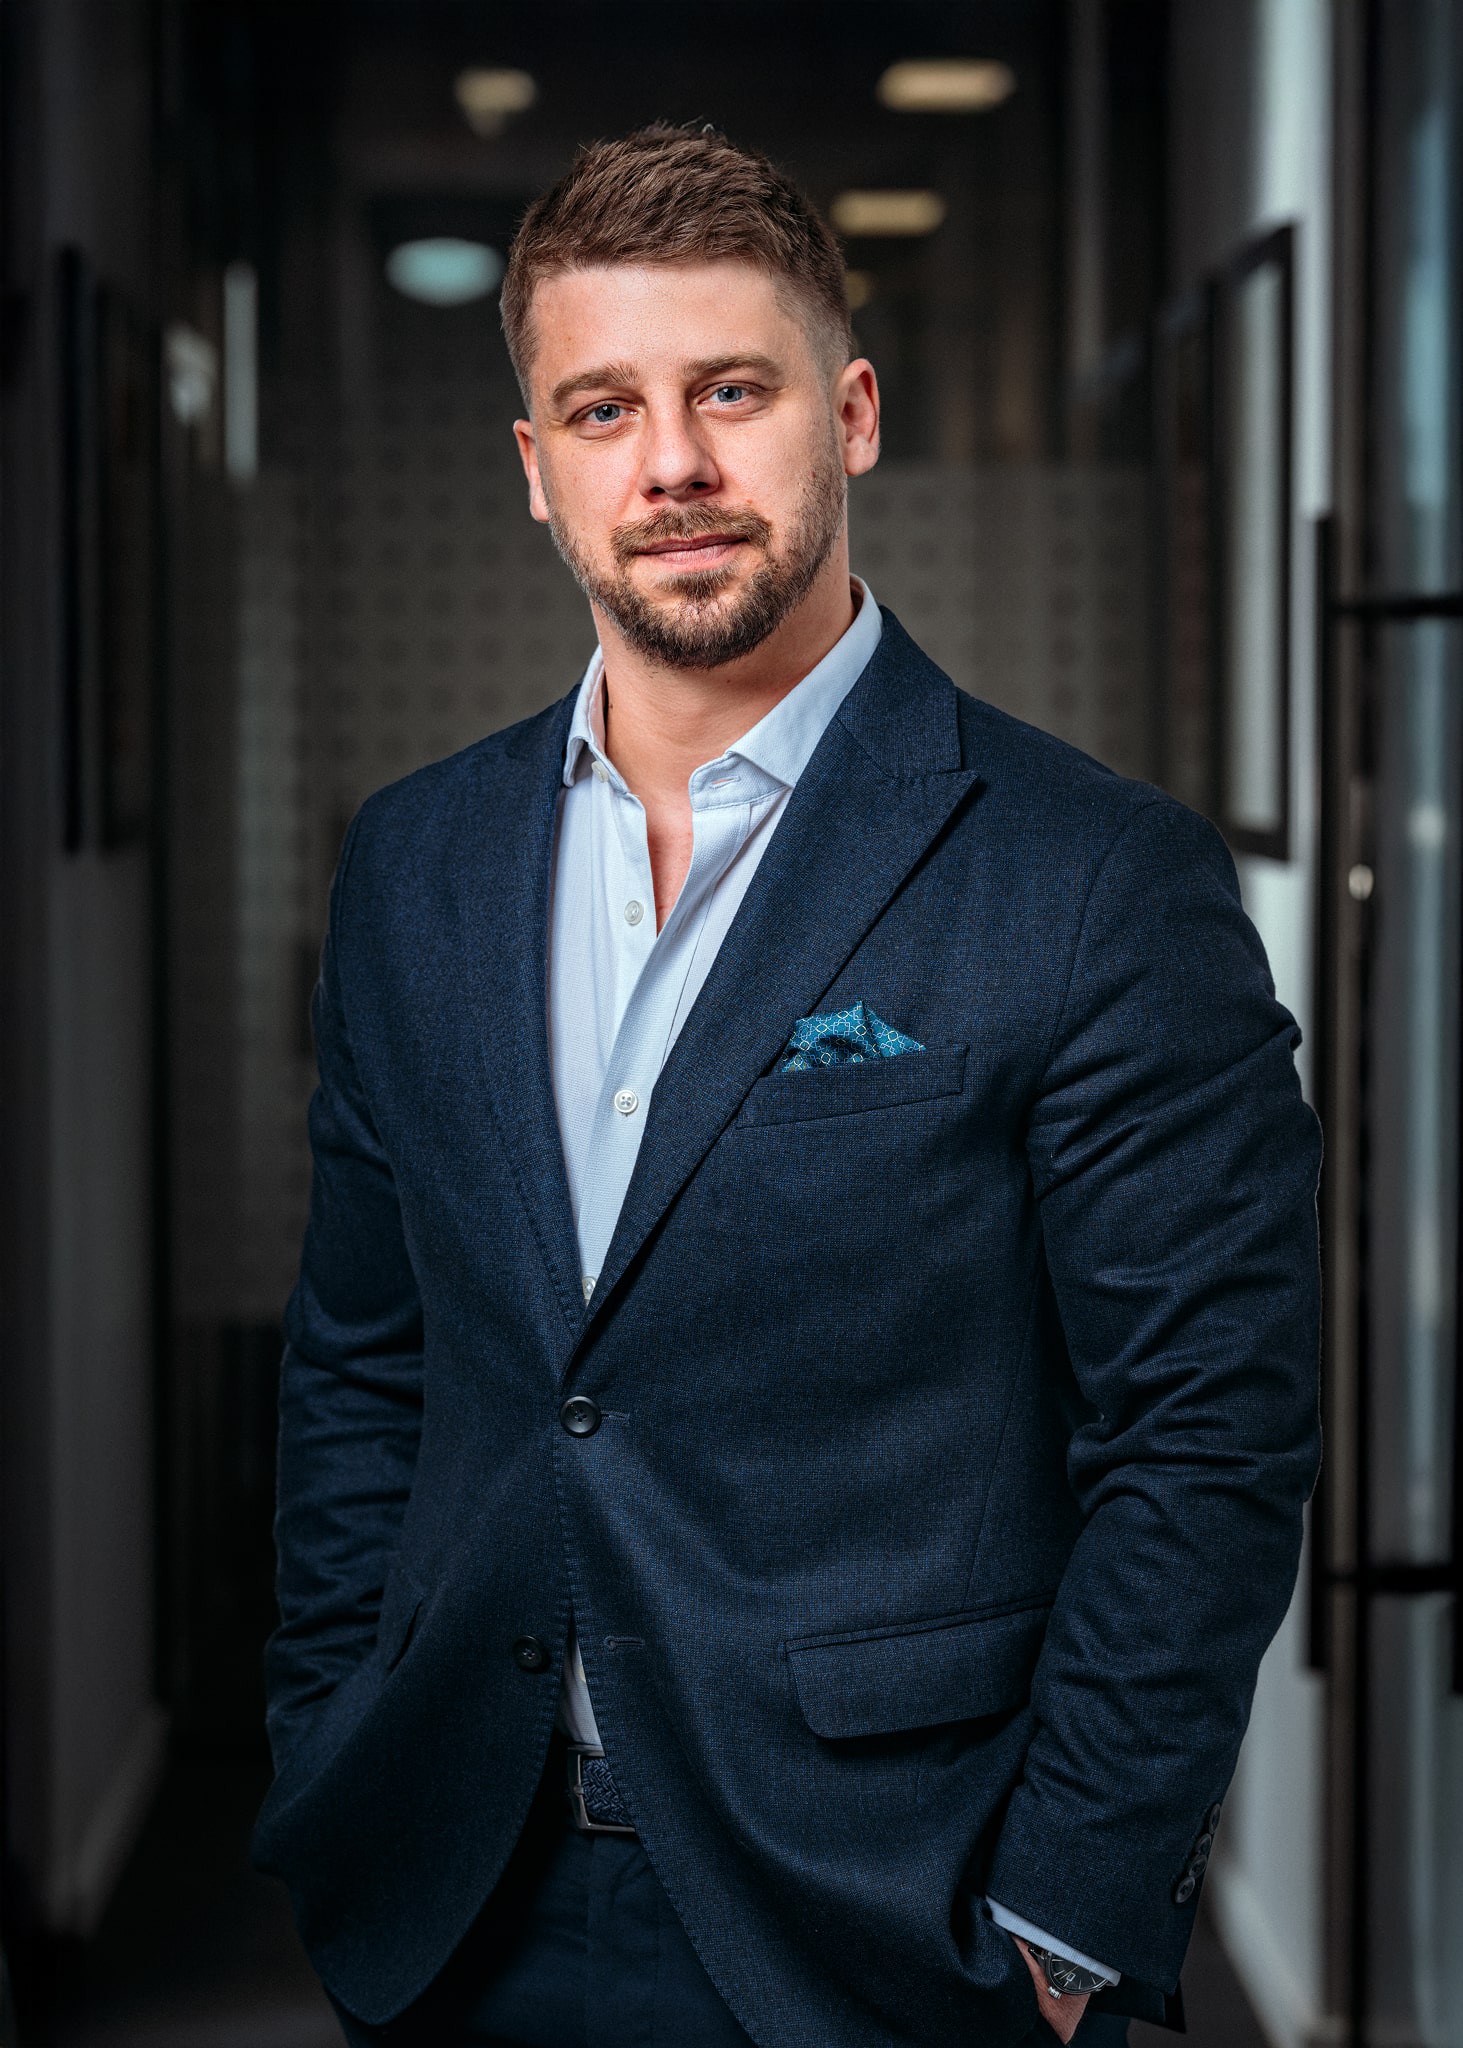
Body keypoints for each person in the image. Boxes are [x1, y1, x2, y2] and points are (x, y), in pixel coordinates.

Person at [253, 124, 1322, 2048]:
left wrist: (1064, 1925)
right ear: (537, 467)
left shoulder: (1093, 878)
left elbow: (1207, 1435)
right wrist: (330, 1734)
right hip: (450, 1901)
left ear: (851, 415)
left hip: (883, 1929)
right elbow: (363, 1361)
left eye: (729, 391)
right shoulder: (413, 863)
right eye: (604, 409)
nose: (669, 463)